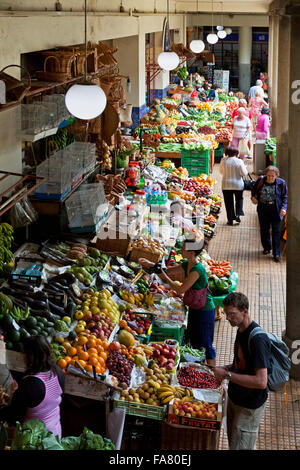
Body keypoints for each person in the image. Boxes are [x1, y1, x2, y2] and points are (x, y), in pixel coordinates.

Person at [138, 236, 216, 366]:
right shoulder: (187, 264)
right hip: (194, 307)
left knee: (206, 343)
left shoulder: (197, 270)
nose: (180, 249)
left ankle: (213, 373)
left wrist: (166, 279)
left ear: (191, 252)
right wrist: (150, 264)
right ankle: (199, 368)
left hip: (204, 311)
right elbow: (169, 271)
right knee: (195, 341)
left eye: (183, 248)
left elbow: (180, 290)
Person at [213, 292, 271, 451]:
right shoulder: (241, 330)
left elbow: (261, 381)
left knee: (242, 445)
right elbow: (242, 365)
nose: (227, 318)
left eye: (232, 314)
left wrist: (227, 375)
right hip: (236, 399)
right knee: (236, 443)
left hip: (249, 406)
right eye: (226, 314)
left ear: (245, 311)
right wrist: (225, 368)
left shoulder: (258, 339)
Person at [0, 335, 64, 438]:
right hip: (54, 434)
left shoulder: (31, 385)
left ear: (31, 356)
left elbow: (14, 417)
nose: (23, 356)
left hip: (34, 439)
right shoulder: (57, 371)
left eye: (24, 353)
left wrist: (8, 404)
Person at [251, 166, 287, 262]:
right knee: (264, 229)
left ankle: (277, 253)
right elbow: (253, 190)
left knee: (276, 231)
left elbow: (285, 197)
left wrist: (284, 208)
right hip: (263, 208)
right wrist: (253, 198)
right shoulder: (261, 180)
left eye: (272, 176)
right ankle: (267, 248)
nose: (270, 178)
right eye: (268, 176)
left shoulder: (281, 183)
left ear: (276, 175)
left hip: (276, 209)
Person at [220, 146, 248, 226]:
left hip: (226, 185)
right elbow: (244, 173)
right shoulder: (239, 161)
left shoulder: (223, 161)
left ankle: (230, 220)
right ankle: (238, 214)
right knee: (239, 199)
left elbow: (221, 172)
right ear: (236, 153)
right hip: (238, 185)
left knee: (228, 203)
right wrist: (244, 168)